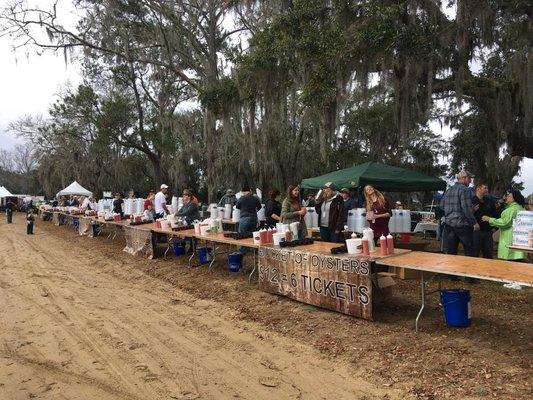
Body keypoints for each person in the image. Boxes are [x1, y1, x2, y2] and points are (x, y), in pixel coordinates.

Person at [439, 170, 478, 256]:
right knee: (470, 252)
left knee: (451, 252)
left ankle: (451, 269)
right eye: (469, 178)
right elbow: (466, 209)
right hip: (462, 225)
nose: (470, 181)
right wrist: (474, 222)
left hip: (449, 224)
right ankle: (469, 269)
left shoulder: (449, 190)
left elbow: (441, 206)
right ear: (464, 178)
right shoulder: (465, 190)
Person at [482, 188, 525, 260]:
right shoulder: (520, 208)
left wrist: (489, 219)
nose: (506, 197)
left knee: (509, 262)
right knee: (518, 262)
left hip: (509, 239)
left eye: (509, 196)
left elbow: (505, 222)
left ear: (514, 198)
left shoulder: (511, 209)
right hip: (518, 240)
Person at [472, 183, 496, 259]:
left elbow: (495, 213)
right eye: (485, 188)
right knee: (474, 254)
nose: (487, 190)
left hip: (488, 232)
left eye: (487, 188)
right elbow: (467, 214)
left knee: (488, 255)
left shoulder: (489, 201)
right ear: (478, 189)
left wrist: (494, 227)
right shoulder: (471, 200)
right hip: (475, 232)